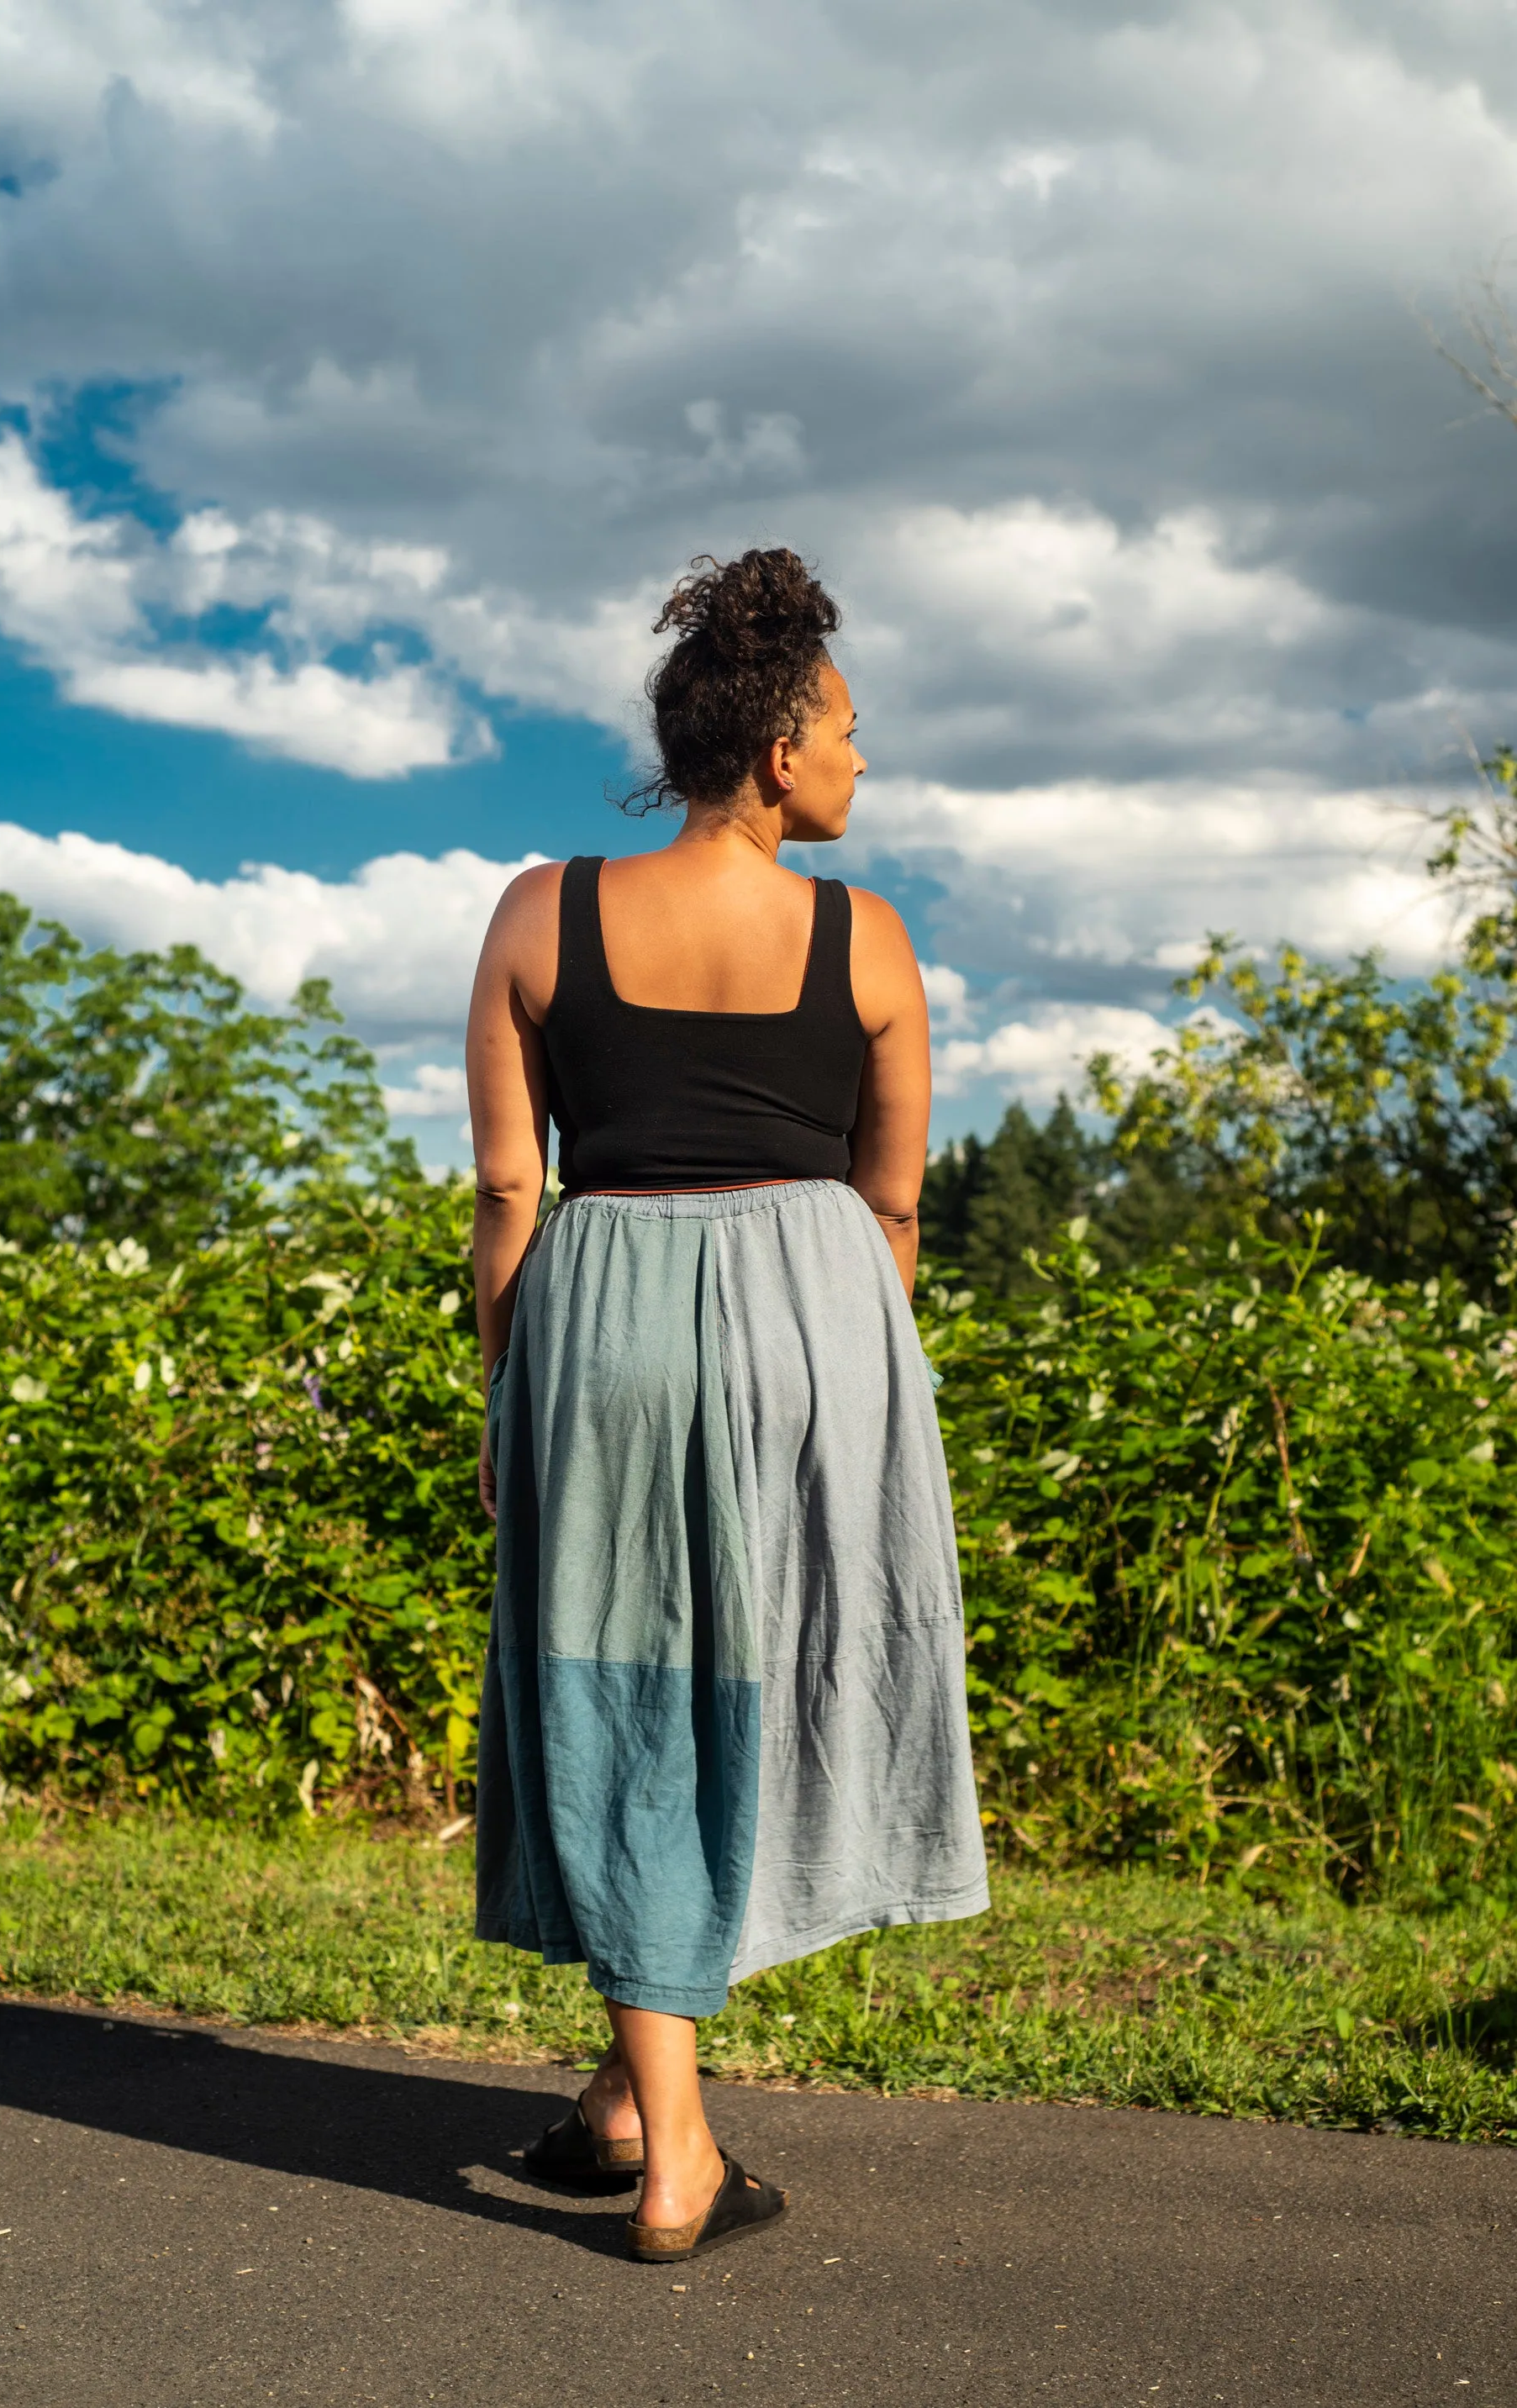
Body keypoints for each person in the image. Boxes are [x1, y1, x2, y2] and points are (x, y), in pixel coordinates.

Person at [466, 547, 988, 2264]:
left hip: (603, 1301)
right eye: (843, 729)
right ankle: (676, 2152)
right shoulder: (870, 939)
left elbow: (502, 1192)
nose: (857, 758)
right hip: (816, 1323)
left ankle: (626, 2100)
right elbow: (894, 1204)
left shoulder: (540, 913)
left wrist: (507, 1393)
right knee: (754, 1681)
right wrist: (844, 1386)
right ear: (773, 752)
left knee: (617, 1683)